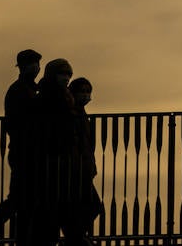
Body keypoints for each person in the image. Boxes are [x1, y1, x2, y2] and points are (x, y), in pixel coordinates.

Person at [0, 49, 42, 246]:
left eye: (36, 64)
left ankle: (5, 236)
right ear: (22, 67)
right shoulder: (19, 90)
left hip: (26, 151)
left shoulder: (29, 88)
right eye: (31, 64)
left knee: (22, 200)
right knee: (18, 199)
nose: (35, 67)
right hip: (24, 152)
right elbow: (14, 124)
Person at [22, 58, 81, 246]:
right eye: (62, 74)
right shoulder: (49, 96)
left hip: (59, 156)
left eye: (68, 75)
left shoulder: (58, 94)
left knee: (54, 205)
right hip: (52, 156)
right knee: (52, 204)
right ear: (53, 75)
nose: (66, 78)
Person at [64, 77, 101, 246]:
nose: (86, 95)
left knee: (85, 206)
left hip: (83, 168)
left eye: (88, 92)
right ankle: (75, 238)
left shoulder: (80, 114)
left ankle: (75, 238)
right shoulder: (72, 114)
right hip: (75, 170)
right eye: (82, 91)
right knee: (92, 205)